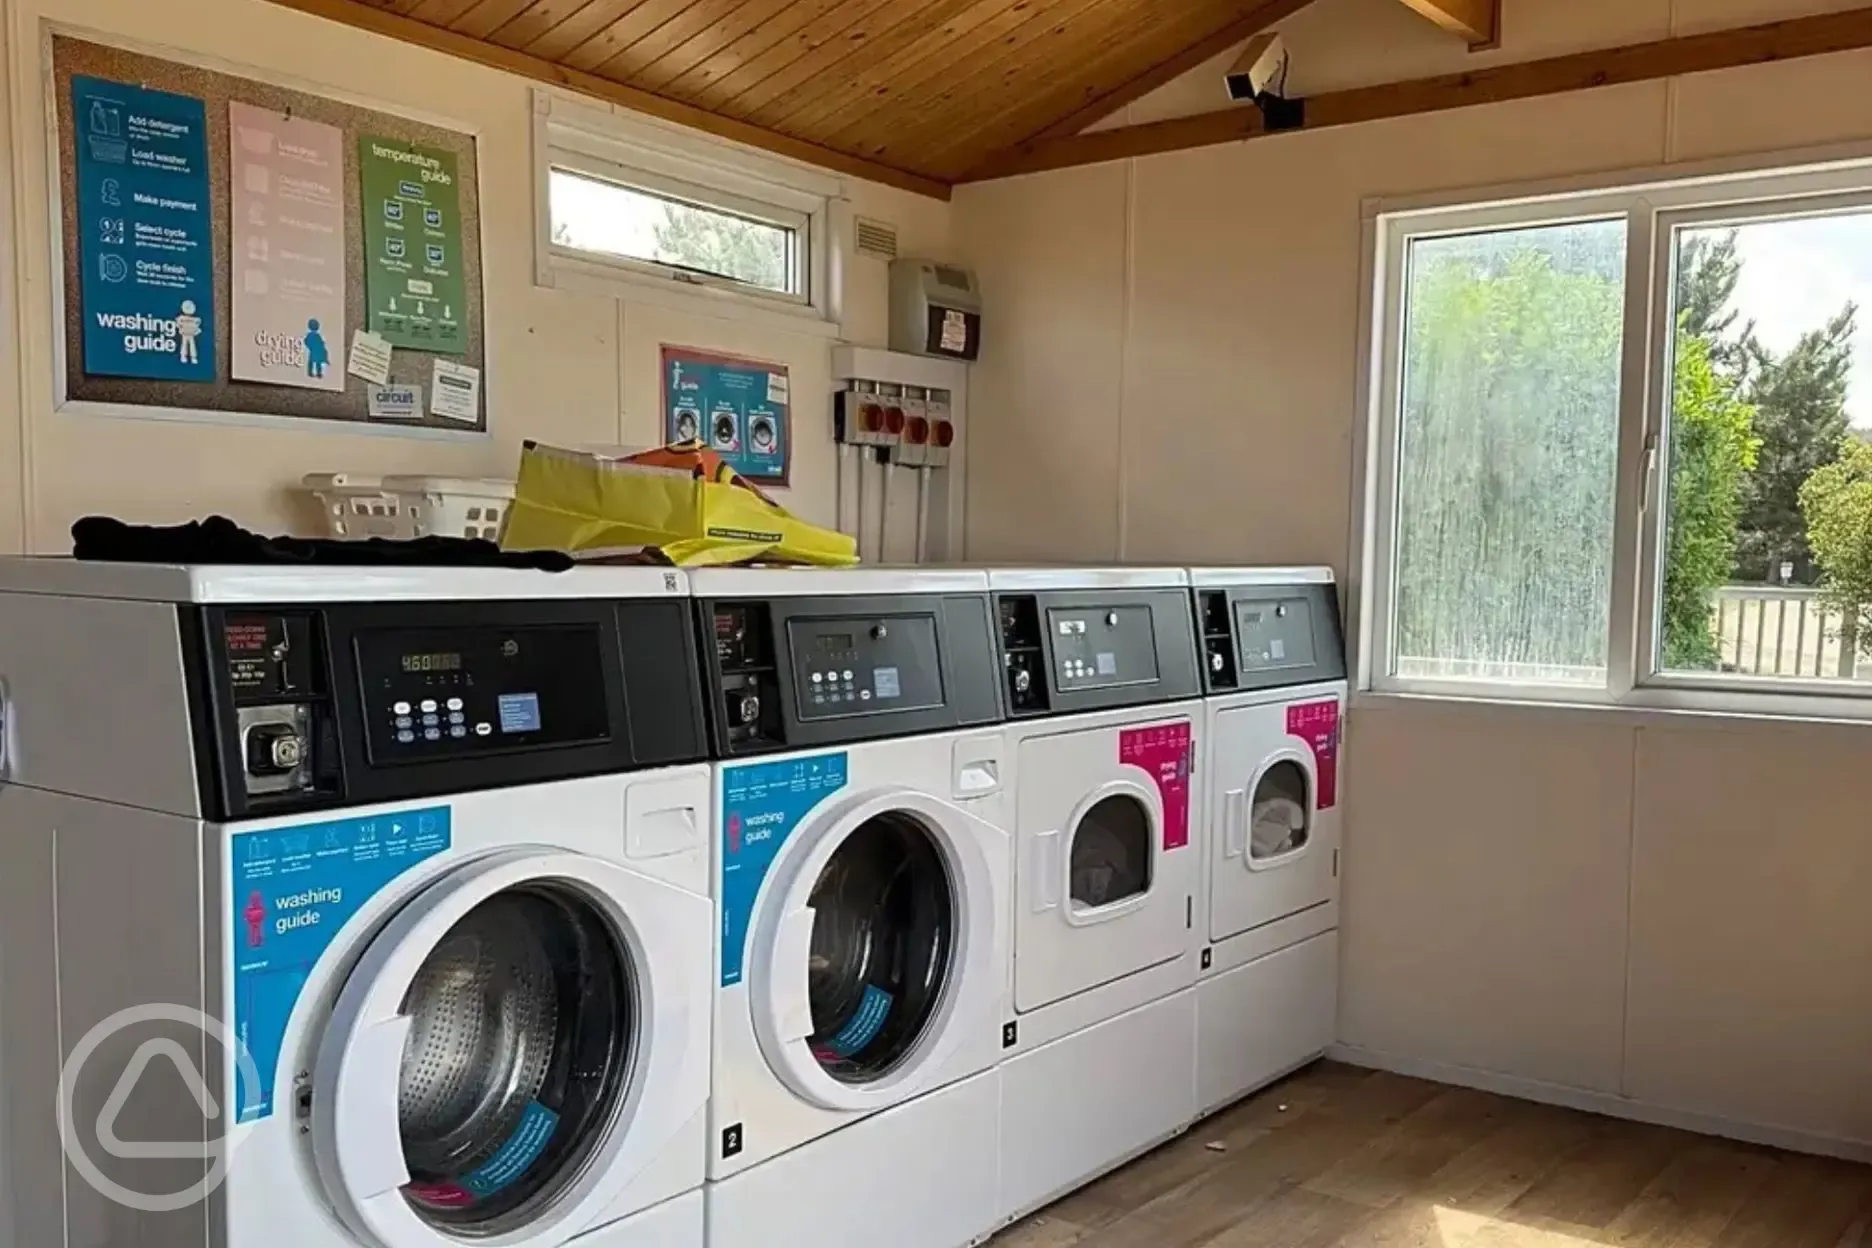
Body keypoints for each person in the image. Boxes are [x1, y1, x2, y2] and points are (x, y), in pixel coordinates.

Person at [175, 300, 202, 366]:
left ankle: (193, 357)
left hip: (191, 334)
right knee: (184, 344)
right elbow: (178, 324)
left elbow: (197, 324)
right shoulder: (181, 318)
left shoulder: (194, 319)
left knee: (192, 345)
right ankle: (184, 356)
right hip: (185, 333)